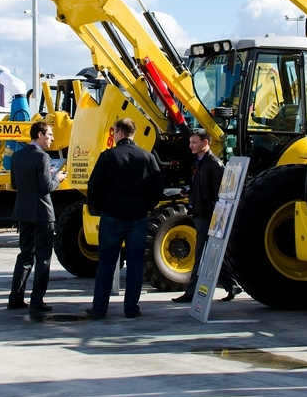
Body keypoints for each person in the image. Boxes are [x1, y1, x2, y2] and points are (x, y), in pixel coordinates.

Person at [86, 118, 164, 319]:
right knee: (136, 264)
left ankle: (99, 309)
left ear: (118, 133)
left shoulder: (108, 156)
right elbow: (157, 188)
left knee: (106, 263)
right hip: (138, 217)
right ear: (133, 134)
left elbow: (94, 186)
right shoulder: (147, 157)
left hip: (112, 216)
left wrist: (101, 207)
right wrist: (147, 206)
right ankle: (131, 308)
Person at [172, 129, 240, 303]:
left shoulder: (214, 164)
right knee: (210, 253)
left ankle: (191, 292)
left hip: (208, 216)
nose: (191, 146)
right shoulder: (200, 162)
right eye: (190, 142)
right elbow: (201, 188)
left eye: (194, 142)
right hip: (200, 213)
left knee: (200, 254)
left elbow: (220, 194)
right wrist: (189, 192)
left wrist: (216, 217)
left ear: (205, 143)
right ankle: (232, 286)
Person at [7, 120, 66, 318]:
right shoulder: (42, 158)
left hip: (23, 212)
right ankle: (37, 301)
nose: (52, 139)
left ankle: (15, 298)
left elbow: (14, 184)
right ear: (39, 135)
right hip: (42, 213)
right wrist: (57, 179)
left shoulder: (17, 155)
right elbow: (46, 187)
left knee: (24, 255)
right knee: (43, 259)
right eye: (49, 135)